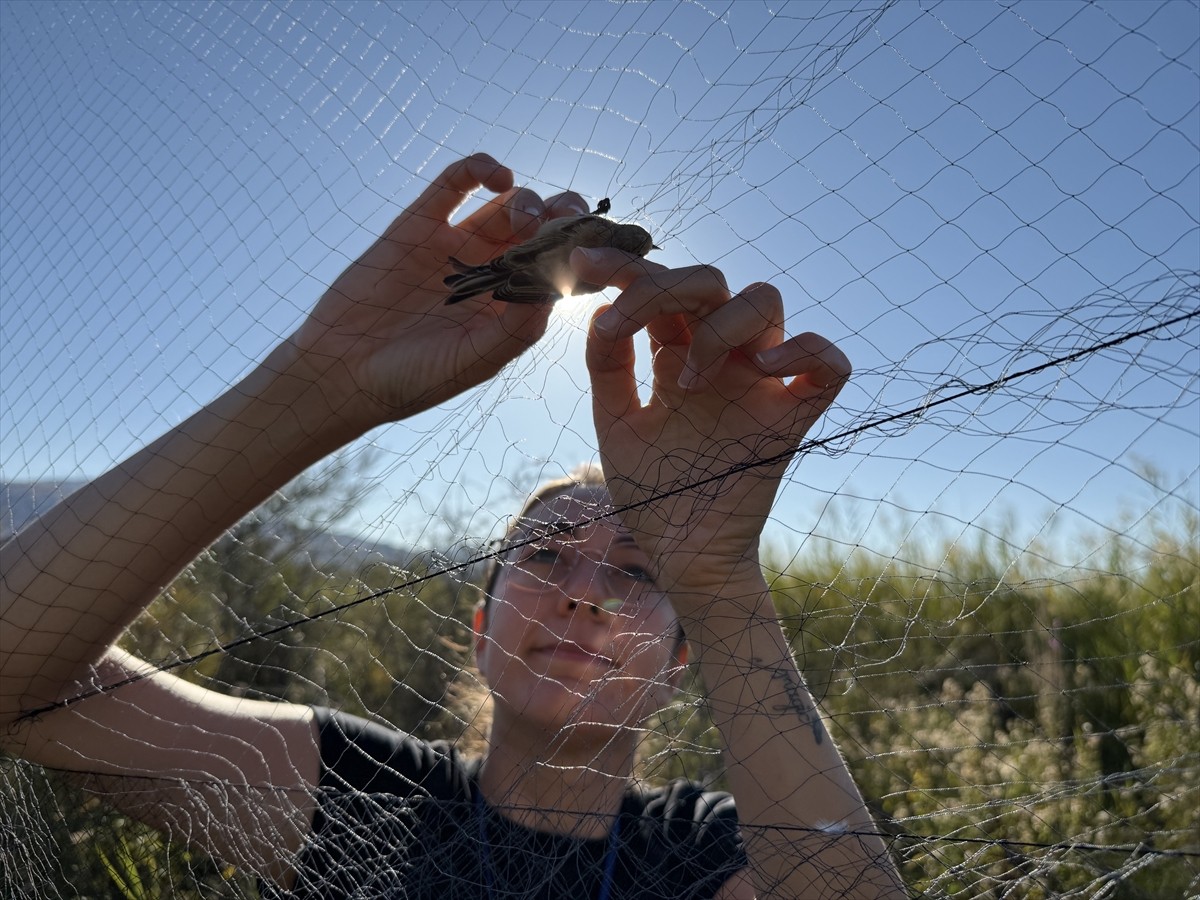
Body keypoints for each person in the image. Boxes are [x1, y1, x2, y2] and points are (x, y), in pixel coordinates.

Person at [0, 154, 904, 898]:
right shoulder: (362, 795)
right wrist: (321, 385)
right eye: (545, 555)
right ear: (479, 628)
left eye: (637, 574)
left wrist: (716, 578)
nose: (586, 595)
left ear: (680, 662)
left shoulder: (709, 855)